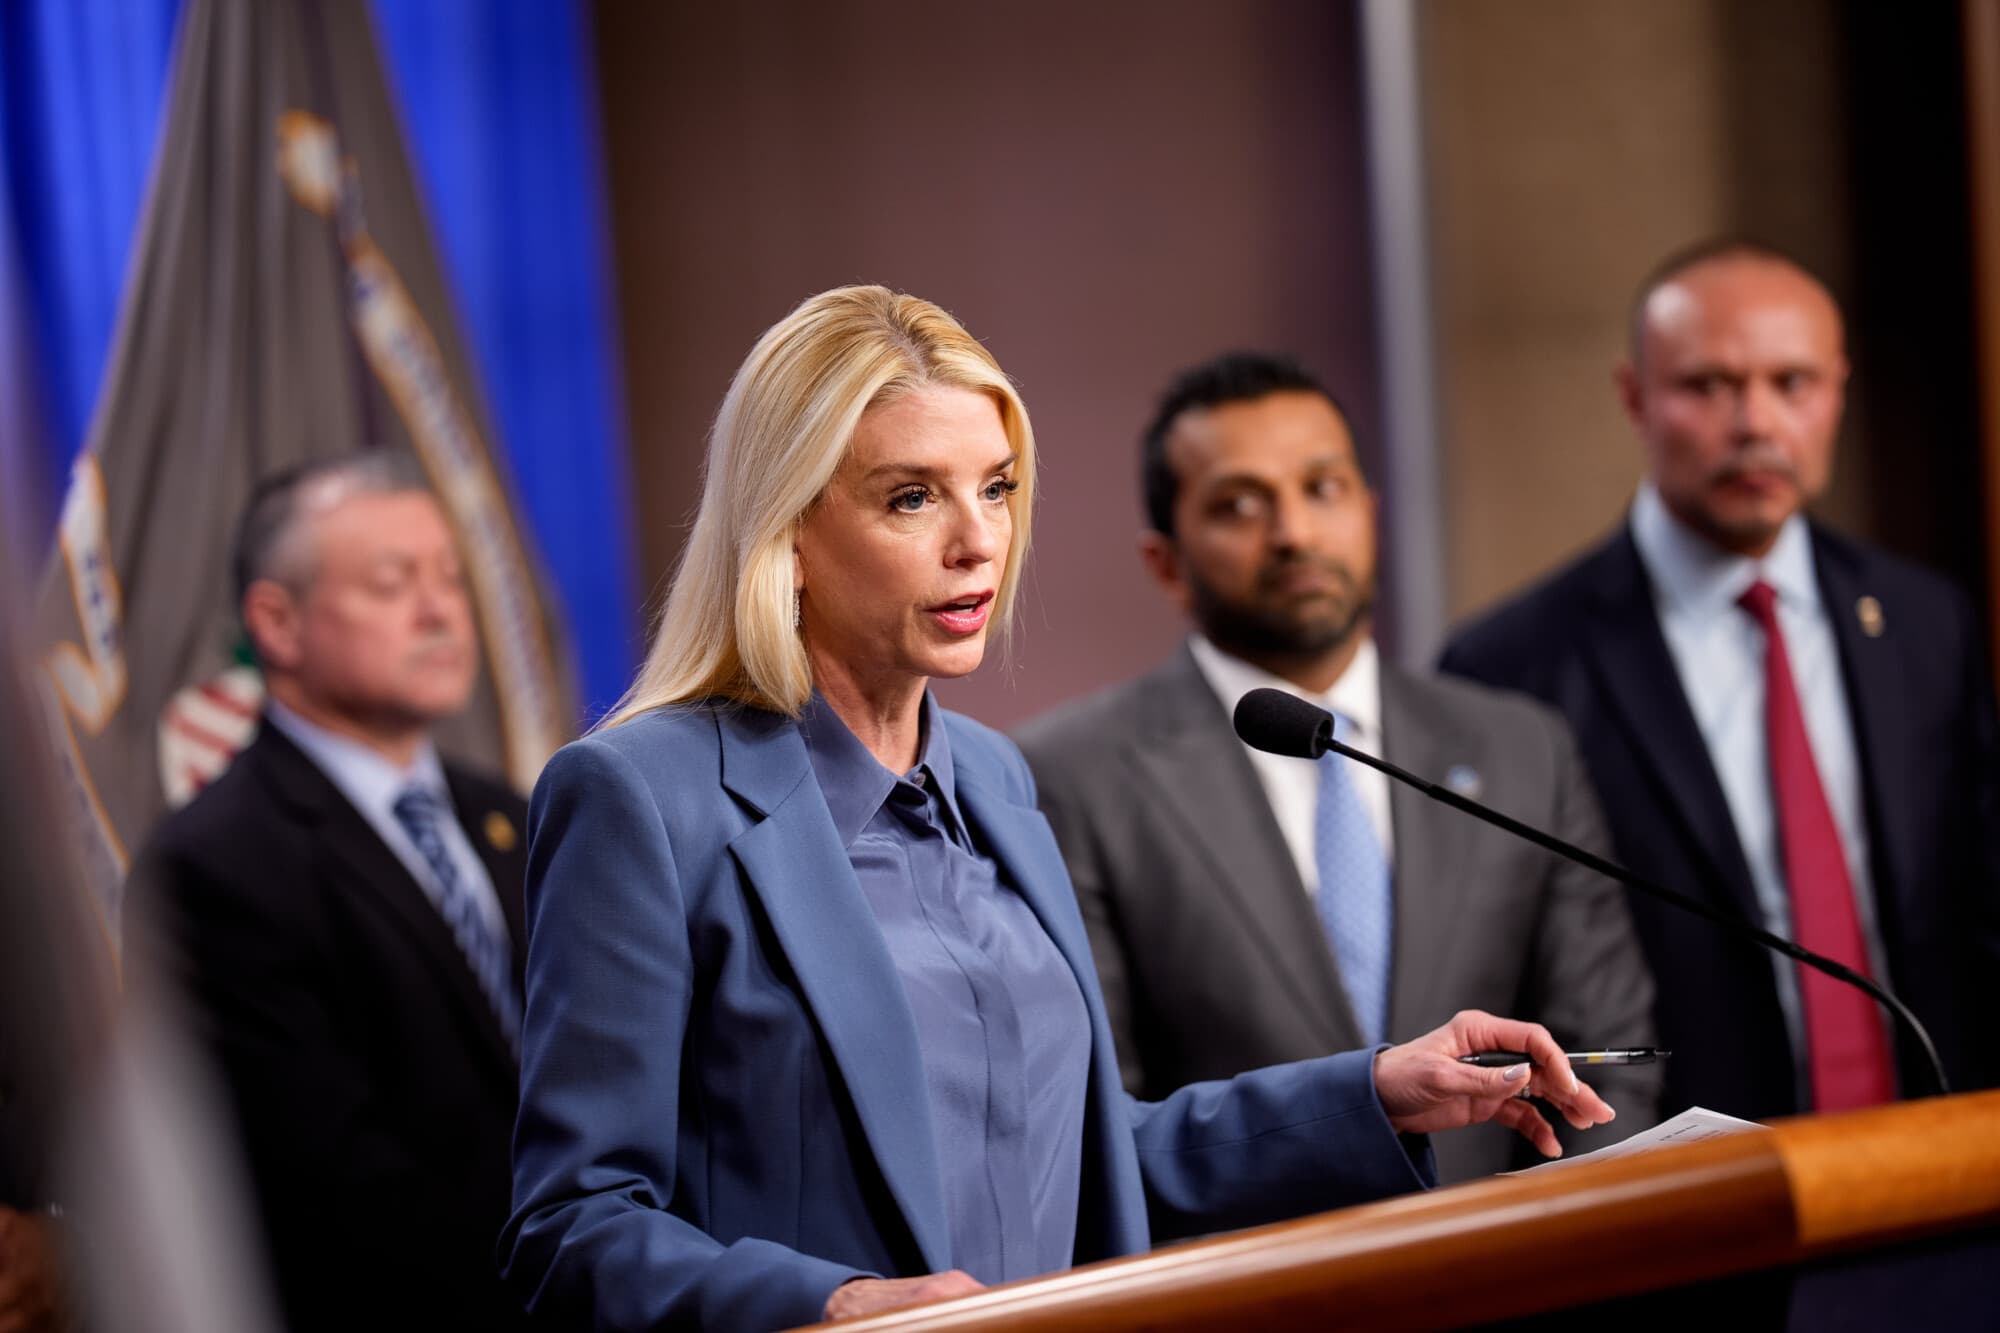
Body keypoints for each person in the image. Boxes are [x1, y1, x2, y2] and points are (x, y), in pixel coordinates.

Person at [501, 286, 1616, 1332]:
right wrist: (829, 1305)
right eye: (910, 496)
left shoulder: (993, 778)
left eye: (994, 486)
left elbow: (1087, 1150)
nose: (975, 540)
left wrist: (1372, 1090)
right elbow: (570, 1227)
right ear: (785, 532)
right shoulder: (642, 798)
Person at [1013, 352, 1660, 1182]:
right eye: (1240, 505)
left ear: (1370, 509)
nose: (1294, 533)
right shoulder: (1069, 778)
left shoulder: (1519, 748)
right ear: (1165, 562)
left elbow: (1606, 1064)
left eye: (1322, 488)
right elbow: (1096, 1122)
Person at [1440, 238, 2000, 1122]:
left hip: (1936, 1159)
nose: (1755, 423)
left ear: (1839, 393)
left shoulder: (1927, 622)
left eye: (1793, 383)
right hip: (1690, 1178)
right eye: (1709, 386)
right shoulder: (1513, 666)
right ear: (1634, 397)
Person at [125, 454, 533, 1332]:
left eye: (451, 579)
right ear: (276, 620)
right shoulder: (215, 864)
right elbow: (330, 1187)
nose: (440, 611)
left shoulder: (512, 817)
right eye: (393, 583)